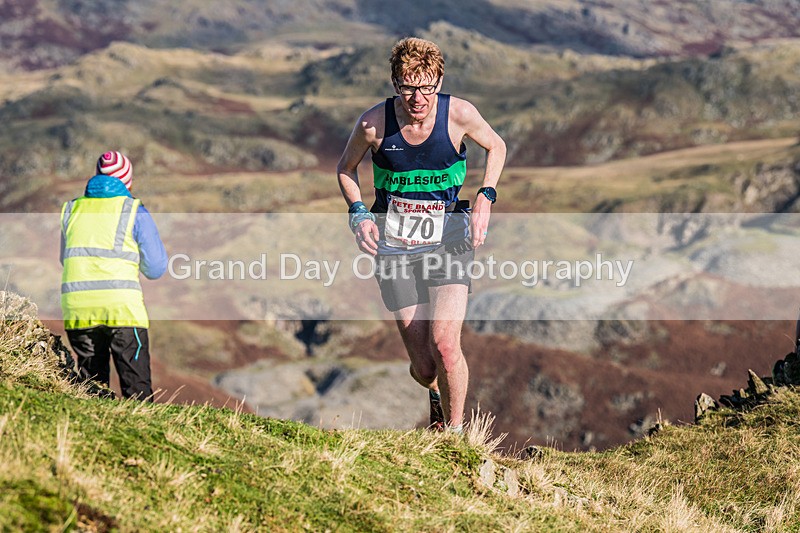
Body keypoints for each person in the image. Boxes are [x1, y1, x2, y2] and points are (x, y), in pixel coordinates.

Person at [336, 37, 506, 432]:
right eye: (408, 87)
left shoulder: (459, 114)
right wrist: (358, 213)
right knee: (424, 365)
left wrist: (485, 196)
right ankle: (434, 394)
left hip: (449, 238)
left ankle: (457, 435)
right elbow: (345, 168)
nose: (418, 97)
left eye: (427, 86)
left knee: (445, 344)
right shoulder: (373, 124)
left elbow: (496, 146)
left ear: (439, 80)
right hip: (393, 247)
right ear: (395, 84)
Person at [60, 151, 167, 400]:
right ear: (127, 182)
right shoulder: (134, 211)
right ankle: (141, 436)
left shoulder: (71, 209)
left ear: (97, 176)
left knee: (92, 392)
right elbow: (156, 268)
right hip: (123, 310)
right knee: (137, 391)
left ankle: (89, 436)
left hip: (79, 309)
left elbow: (64, 259)